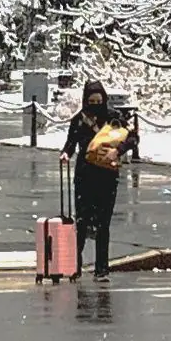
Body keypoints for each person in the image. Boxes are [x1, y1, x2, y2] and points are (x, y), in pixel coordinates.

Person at [60, 81, 130, 278]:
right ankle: (75, 265)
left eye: (99, 101)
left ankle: (102, 268)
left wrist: (118, 151)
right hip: (85, 175)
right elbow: (71, 142)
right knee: (81, 222)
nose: (95, 104)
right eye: (91, 101)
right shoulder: (79, 120)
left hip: (107, 176)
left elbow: (132, 138)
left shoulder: (114, 118)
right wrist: (66, 153)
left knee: (103, 224)